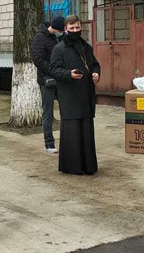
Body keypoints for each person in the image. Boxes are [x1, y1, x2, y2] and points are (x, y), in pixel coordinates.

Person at [50, 15, 100, 175]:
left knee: (86, 131)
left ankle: (88, 166)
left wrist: (96, 73)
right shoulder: (59, 49)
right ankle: (72, 167)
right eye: (72, 28)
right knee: (72, 132)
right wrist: (68, 74)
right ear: (65, 29)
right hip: (69, 96)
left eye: (77, 27)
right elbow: (54, 70)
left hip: (85, 95)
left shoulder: (86, 47)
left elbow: (95, 64)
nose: (75, 30)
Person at [31, 16, 65, 154]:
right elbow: (38, 60)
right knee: (48, 112)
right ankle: (49, 143)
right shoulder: (40, 38)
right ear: (55, 28)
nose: (62, 33)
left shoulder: (60, 38)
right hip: (47, 80)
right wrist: (53, 71)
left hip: (61, 79)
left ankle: (67, 140)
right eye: (61, 31)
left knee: (66, 110)